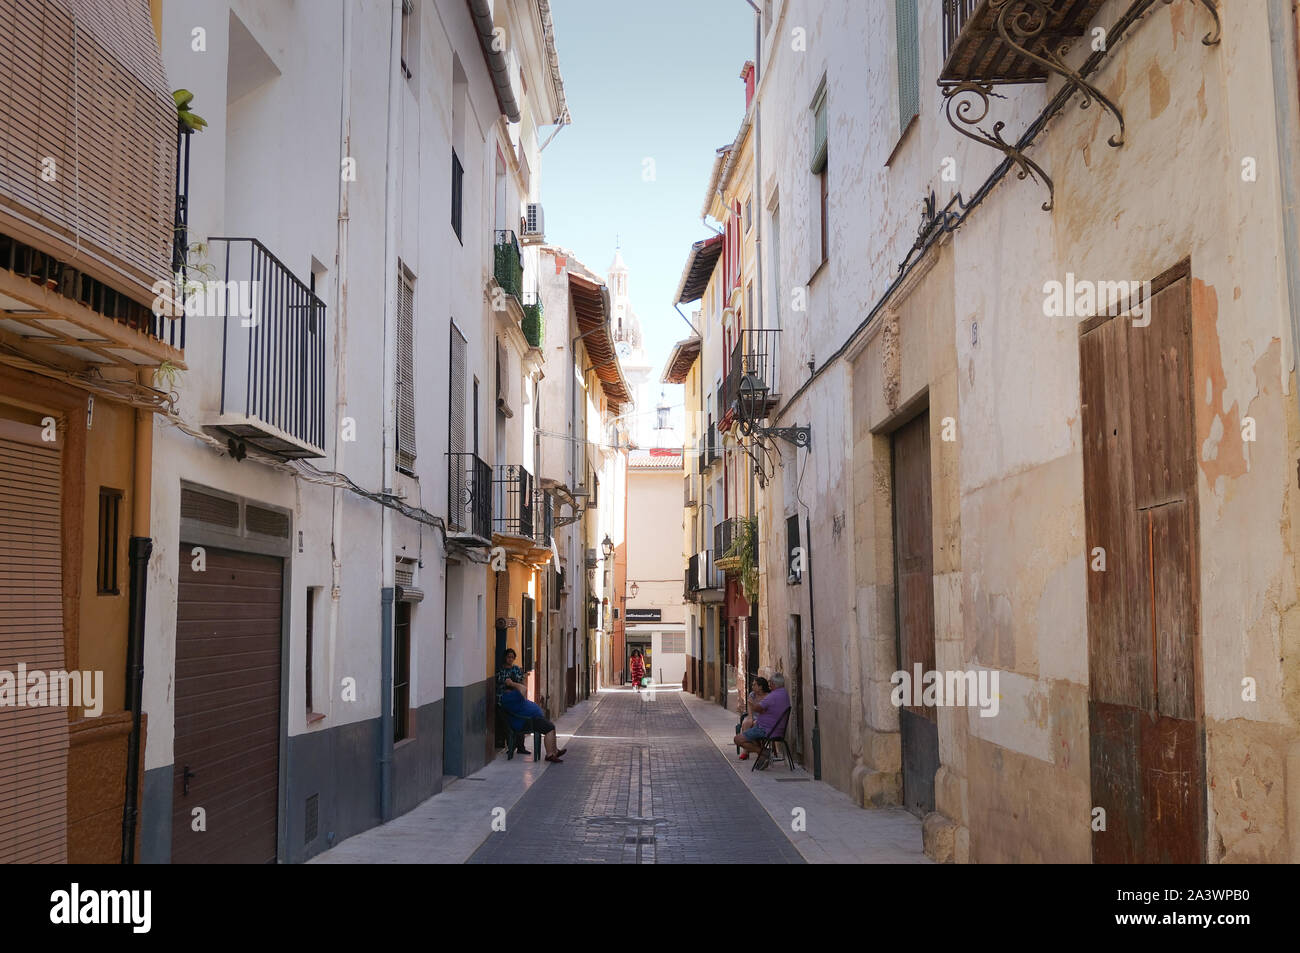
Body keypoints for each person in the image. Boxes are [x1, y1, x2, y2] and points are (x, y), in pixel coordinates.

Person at [496, 649, 567, 763]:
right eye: (508, 657)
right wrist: (512, 684)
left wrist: (513, 684)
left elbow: (522, 687)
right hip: (527, 721)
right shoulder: (509, 696)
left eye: (512, 657)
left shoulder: (515, 694)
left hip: (530, 718)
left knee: (551, 726)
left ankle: (555, 751)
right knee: (549, 728)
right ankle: (550, 755)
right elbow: (523, 689)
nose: (510, 659)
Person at [733, 672, 790, 767]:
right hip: (777, 729)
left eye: (770, 682)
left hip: (766, 730)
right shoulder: (784, 694)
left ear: (774, 684)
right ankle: (762, 756)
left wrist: (752, 703)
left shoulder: (772, 696)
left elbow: (757, 708)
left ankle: (763, 752)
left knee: (737, 739)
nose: (769, 684)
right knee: (751, 726)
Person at [736, 677, 770, 761]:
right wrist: (750, 717)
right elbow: (750, 708)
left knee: (755, 725)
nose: (752, 686)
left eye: (754, 685)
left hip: (762, 717)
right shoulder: (752, 694)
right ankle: (746, 751)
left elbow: (765, 710)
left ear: (760, 687)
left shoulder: (768, 696)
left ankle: (758, 750)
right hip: (753, 715)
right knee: (746, 723)